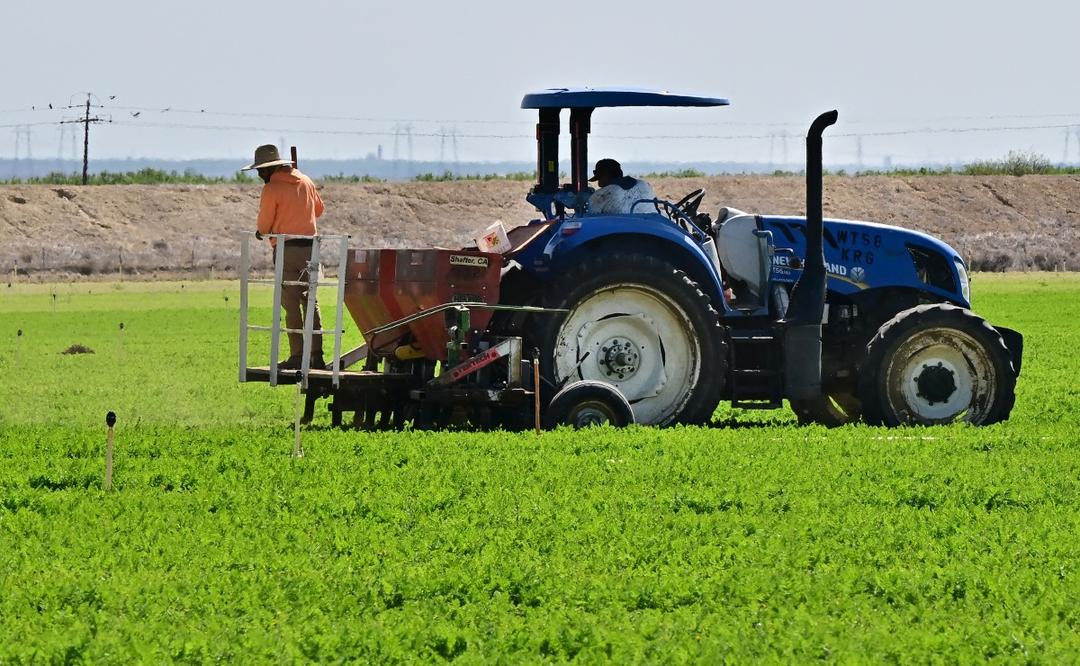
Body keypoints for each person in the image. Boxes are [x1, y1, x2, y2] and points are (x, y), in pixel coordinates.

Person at [243, 144, 326, 370]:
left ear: (270, 169)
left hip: (286, 249)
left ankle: (298, 355)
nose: (260, 175)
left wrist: (262, 231)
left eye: (261, 170)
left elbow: (264, 225)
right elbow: (319, 210)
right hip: (311, 248)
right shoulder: (306, 180)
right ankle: (316, 355)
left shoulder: (272, 188)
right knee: (311, 301)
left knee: (291, 303)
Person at [586, 158, 656, 215]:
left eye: (599, 178)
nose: (599, 183)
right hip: (651, 224)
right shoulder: (644, 184)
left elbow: (591, 215)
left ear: (606, 175)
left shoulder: (601, 194)